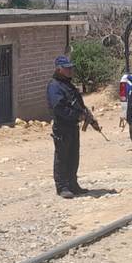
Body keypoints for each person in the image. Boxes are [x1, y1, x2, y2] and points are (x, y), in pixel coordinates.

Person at [47, 55, 99, 199]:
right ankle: (62, 187)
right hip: (62, 126)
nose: (70, 71)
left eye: (71, 68)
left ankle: (73, 184)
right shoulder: (54, 86)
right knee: (62, 157)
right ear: (59, 69)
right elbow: (59, 108)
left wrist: (87, 116)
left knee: (73, 156)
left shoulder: (67, 85)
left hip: (72, 126)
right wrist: (76, 116)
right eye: (67, 68)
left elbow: (78, 103)